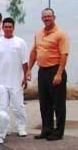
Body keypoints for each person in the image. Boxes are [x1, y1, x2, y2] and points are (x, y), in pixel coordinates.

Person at [28, 8, 69, 141]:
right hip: (43, 71)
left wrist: (59, 74)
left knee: (58, 103)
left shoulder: (60, 34)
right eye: (44, 17)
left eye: (49, 16)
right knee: (44, 103)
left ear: (54, 17)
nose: (46, 19)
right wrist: (29, 69)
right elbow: (34, 52)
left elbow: (64, 55)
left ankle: (58, 132)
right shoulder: (39, 33)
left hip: (55, 70)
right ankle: (46, 129)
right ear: (42, 19)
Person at [0, 17, 28, 137]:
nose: (8, 29)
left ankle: (21, 127)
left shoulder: (20, 42)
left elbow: (25, 62)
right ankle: (3, 128)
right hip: (0, 82)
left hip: (16, 81)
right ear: (3, 28)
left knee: (18, 107)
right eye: (6, 27)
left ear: (13, 28)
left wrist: (25, 77)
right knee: (2, 107)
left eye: (10, 27)